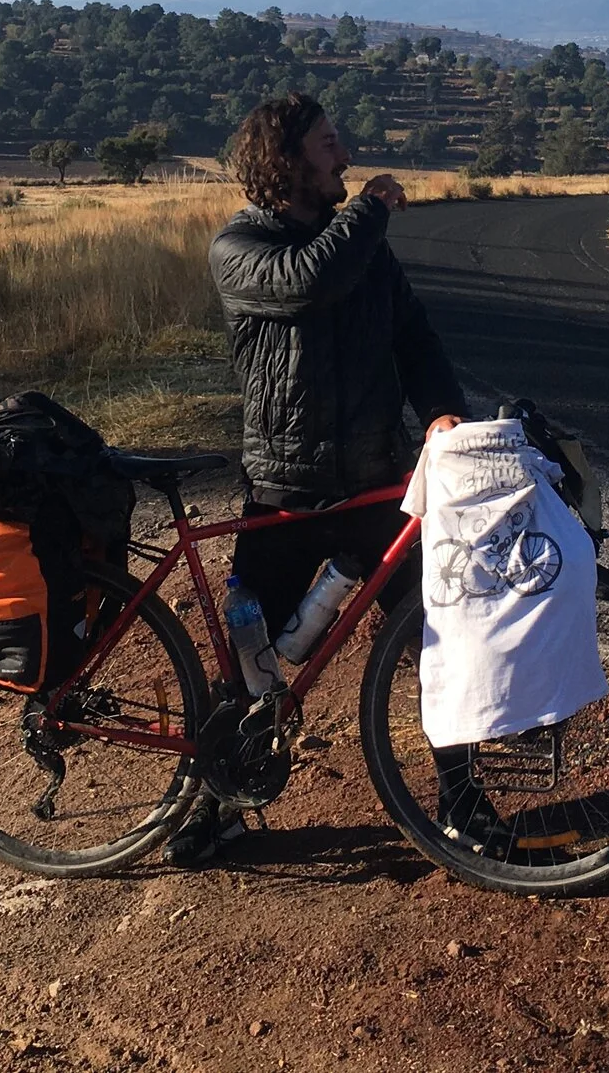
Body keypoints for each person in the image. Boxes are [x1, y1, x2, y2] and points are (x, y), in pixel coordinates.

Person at [171, 92, 470, 865]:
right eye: (329, 141)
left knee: (440, 646)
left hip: (377, 480)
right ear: (287, 159)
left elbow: (415, 334)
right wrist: (369, 211)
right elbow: (311, 280)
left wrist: (440, 410)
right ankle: (211, 806)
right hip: (287, 488)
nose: (344, 152)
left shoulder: (359, 244)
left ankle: (468, 807)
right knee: (249, 655)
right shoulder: (240, 245)